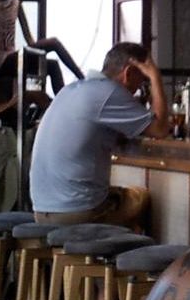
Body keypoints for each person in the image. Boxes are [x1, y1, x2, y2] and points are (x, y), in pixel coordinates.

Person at [29, 42, 170, 227]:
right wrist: (155, 77)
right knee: (140, 198)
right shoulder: (111, 92)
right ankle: (123, 245)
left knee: (119, 199)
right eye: (141, 79)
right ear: (128, 73)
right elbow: (160, 129)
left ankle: (115, 242)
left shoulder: (71, 89)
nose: (138, 89)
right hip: (76, 212)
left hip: (41, 210)